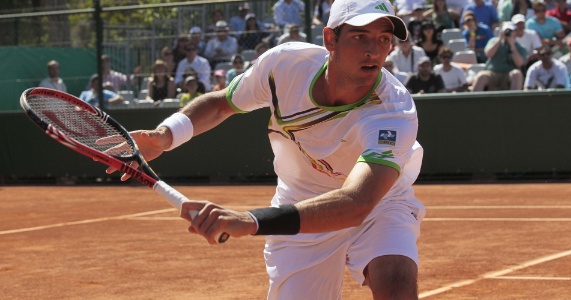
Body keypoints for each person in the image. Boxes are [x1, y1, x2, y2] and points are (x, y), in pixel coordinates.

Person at [113, 0, 425, 298]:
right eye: (360, 37)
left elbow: (357, 202)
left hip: (380, 202)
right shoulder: (285, 65)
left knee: (396, 288)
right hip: (300, 201)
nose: (374, 50)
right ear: (331, 39)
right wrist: (165, 136)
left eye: (384, 39)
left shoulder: (393, 110)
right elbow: (222, 104)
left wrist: (251, 220)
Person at [472, 22, 527, 91]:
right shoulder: (493, 41)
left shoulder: (520, 47)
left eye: (511, 31)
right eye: (506, 31)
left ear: (515, 33)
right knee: (481, 76)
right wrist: (499, 39)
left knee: (517, 74)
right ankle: (473, 101)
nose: (508, 33)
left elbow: (519, 63)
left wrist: (512, 46)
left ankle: (514, 101)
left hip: (508, 75)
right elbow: (489, 54)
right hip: (492, 73)